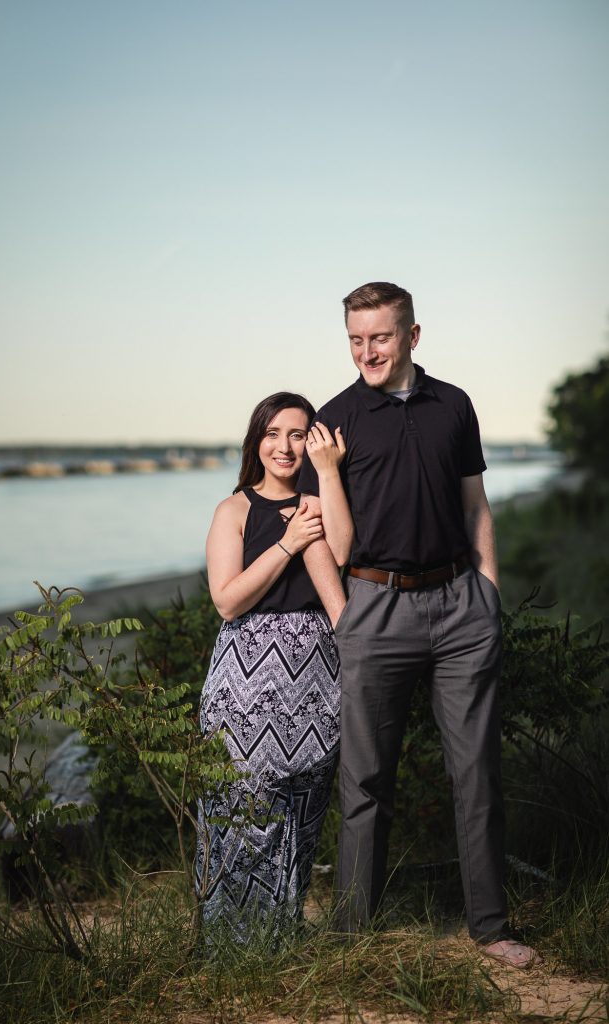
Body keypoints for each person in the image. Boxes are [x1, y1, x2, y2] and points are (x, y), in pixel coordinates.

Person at [297, 281, 539, 968]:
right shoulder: (334, 418)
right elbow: (329, 540)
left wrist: (488, 592)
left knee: (477, 773)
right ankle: (350, 935)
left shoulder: (453, 405)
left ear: (411, 335)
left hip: (459, 605)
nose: (366, 351)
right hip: (375, 608)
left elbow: (474, 504)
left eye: (378, 336)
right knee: (365, 782)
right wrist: (348, 615)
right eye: (354, 338)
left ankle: (490, 929)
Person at [196, 391, 349, 942]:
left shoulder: (317, 502)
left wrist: (327, 478)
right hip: (247, 675)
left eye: (298, 434)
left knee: (304, 805)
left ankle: (279, 934)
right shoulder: (233, 510)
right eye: (273, 434)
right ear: (255, 441)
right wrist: (287, 544)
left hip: (316, 671)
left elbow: (346, 551)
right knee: (240, 802)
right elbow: (228, 600)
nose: (285, 447)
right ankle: (228, 939)